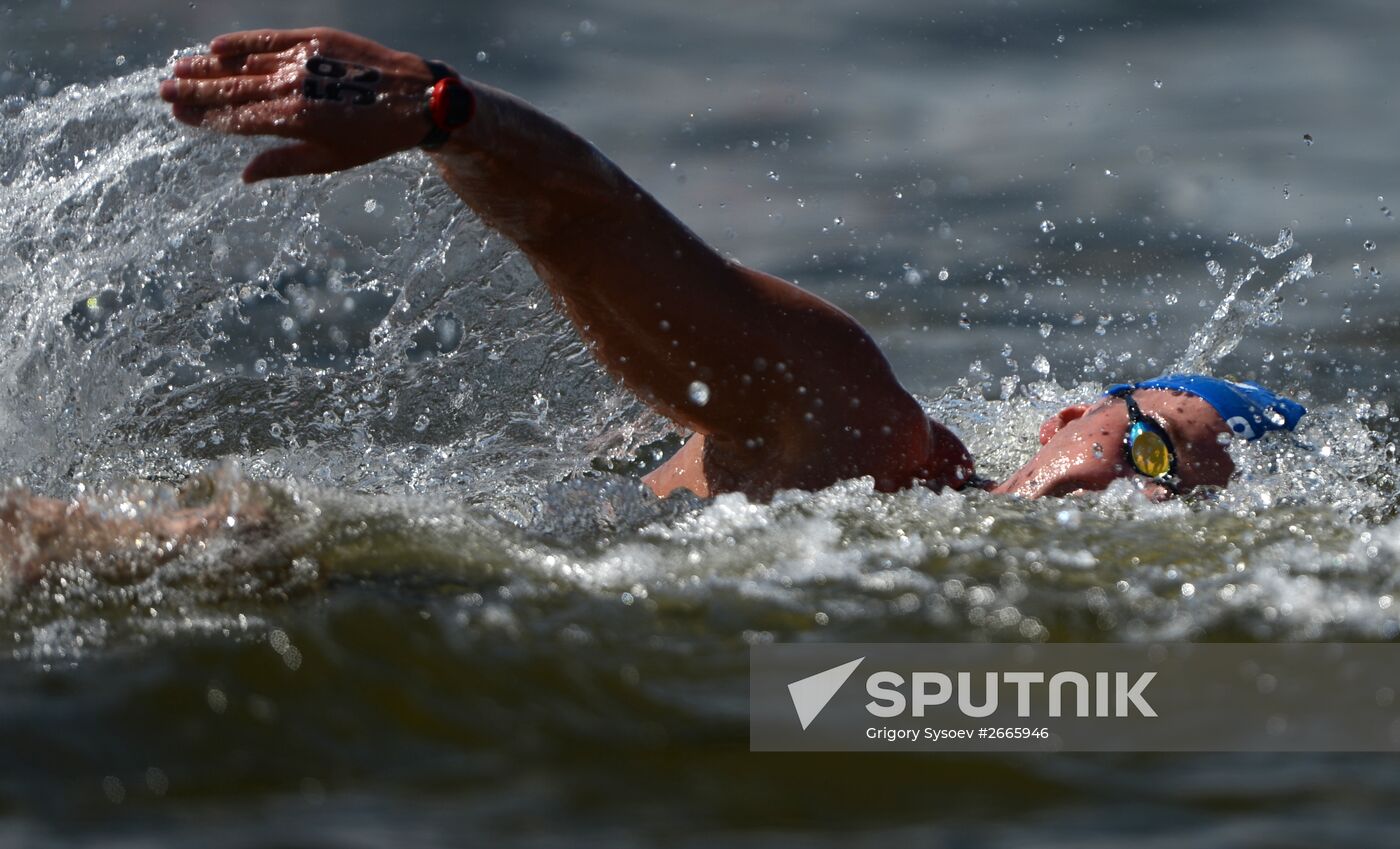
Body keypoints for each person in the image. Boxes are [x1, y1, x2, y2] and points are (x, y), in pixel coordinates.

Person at [1, 27, 1308, 579]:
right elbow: (592, 220)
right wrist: (444, 111)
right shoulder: (860, 425)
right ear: (1067, 414)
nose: (1144, 496)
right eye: (1146, 446)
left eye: (1185, 505)